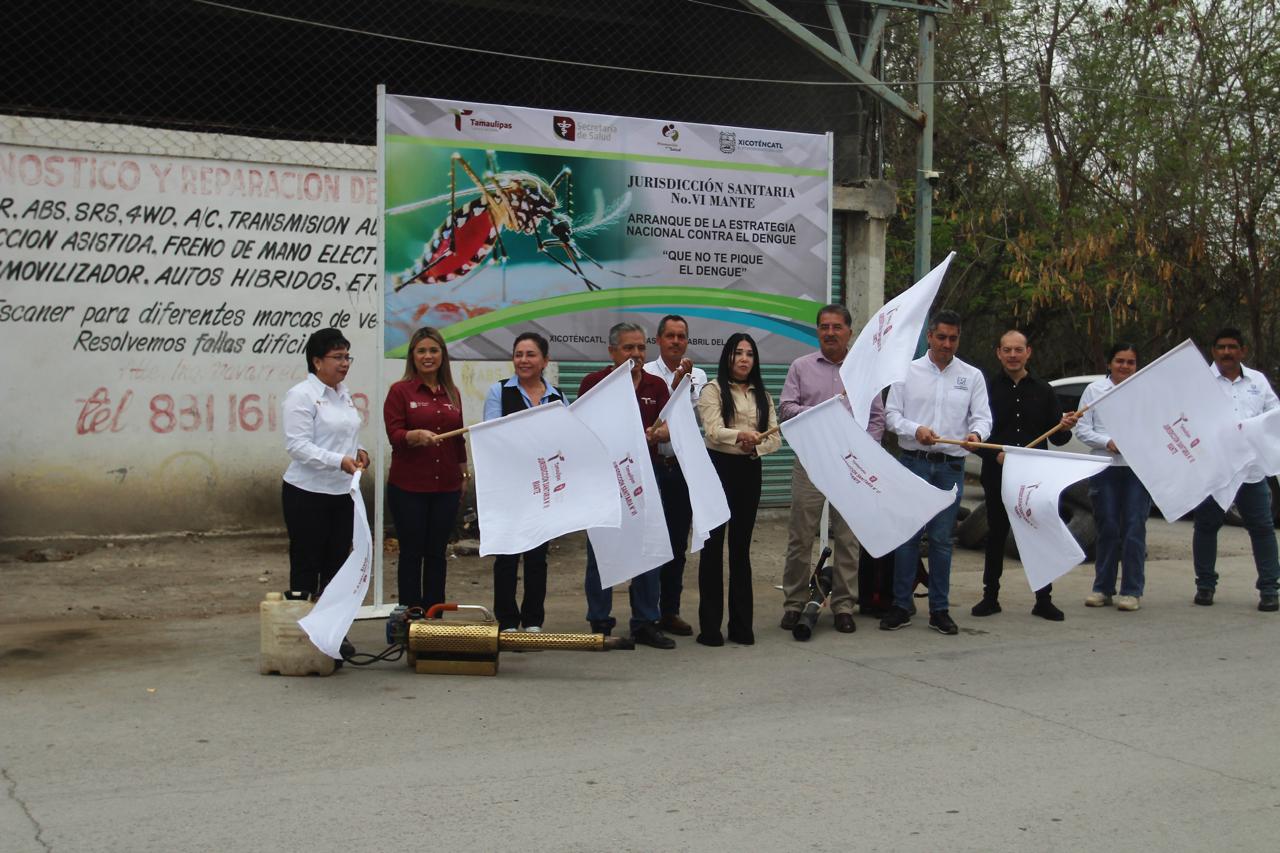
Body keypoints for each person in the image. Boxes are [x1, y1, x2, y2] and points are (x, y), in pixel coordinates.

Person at [881, 310, 992, 634]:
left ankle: (939, 610)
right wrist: (915, 430)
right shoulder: (907, 371)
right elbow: (891, 416)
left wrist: (977, 436)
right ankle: (902, 605)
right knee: (908, 538)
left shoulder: (971, 376)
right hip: (914, 462)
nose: (947, 343)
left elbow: (982, 418)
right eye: (941, 337)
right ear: (929, 336)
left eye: (953, 338)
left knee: (943, 540)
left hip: (950, 467)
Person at [779, 304, 887, 634]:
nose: (830, 332)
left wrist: (865, 452)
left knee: (848, 538)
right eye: (824, 327)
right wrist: (817, 412)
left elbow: (877, 419)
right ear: (818, 331)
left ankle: (843, 604)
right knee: (800, 535)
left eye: (837, 327)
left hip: (850, 465)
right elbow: (785, 408)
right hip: (812, 460)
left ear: (849, 332)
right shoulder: (801, 367)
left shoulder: (865, 371)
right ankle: (794, 602)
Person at [970, 330, 1079, 621]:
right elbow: (975, 436)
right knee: (996, 536)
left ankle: (1043, 600)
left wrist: (1065, 426)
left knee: (1038, 534)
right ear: (998, 353)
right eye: (1007, 350)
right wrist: (996, 455)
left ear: (1028, 352)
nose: (1013, 355)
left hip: (1034, 478)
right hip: (998, 474)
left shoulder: (1043, 390)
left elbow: (1057, 440)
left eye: (1018, 350)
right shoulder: (987, 388)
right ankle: (989, 597)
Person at [579, 322, 675, 649]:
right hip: (604, 482)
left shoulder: (656, 385)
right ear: (612, 351)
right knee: (601, 553)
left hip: (644, 480)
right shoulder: (594, 383)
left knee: (648, 551)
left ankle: (646, 621)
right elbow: (580, 431)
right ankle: (600, 621)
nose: (635, 354)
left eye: (640, 348)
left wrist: (664, 433)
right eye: (628, 348)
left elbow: (669, 426)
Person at [696, 333, 781, 646]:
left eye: (749, 354)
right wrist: (741, 435)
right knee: (713, 547)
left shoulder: (763, 394)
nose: (744, 359)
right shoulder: (713, 390)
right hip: (718, 469)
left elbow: (774, 437)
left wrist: (756, 444)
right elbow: (713, 431)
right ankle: (710, 628)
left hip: (749, 469)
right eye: (738, 353)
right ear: (727, 357)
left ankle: (742, 626)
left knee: (741, 549)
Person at [1191, 328, 1279, 612]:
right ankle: (1205, 586)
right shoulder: (1200, 382)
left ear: (1243, 350)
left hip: (1250, 471)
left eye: (1232, 347)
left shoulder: (1259, 381)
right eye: (1220, 347)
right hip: (1214, 472)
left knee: (1263, 529)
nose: (1226, 352)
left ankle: (1269, 589)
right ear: (1213, 351)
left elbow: (1273, 416)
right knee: (1206, 527)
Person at [280, 328, 368, 605]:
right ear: (317, 361)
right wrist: (338, 460)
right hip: (307, 493)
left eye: (347, 357)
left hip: (342, 493)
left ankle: (331, 631)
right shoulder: (301, 395)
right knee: (307, 563)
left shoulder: (343, 393)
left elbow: (344, 432)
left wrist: (359, 451)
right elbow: (297, 446)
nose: (345, 363)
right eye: (338, 357)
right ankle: (303, 631)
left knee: (337, 565)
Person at [482, 332, 563, 632]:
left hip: (542, 489)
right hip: (509, 488)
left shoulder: (557, 397)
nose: (523, 360)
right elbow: (493, 436)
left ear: (545, 360)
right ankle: (506, 620)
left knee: (536, 558)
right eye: (518, 354)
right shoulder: (499, 392)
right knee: (506, 555)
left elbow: (560, 441)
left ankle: (532, 621)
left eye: (530, 355)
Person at [383, 326, 466, 612]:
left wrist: (463, 472)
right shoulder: (400, 391)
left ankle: (434, 616)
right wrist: (412, 436)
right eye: (421, 351)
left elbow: (458, 439)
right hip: (409, 488)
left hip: (446, 487)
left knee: (437, 554)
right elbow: (394, 434)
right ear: (412, 356)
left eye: (433, 350)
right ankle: (410, 615)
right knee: (411, 553)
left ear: (442, 355)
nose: (428, 356)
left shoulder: (452, 392)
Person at [643, 314, 709, 637]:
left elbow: (690, 417)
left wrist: (682, 383)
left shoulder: (698, 375)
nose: (676, 341)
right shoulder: (644, 373)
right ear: (658, 340)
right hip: (653, 469)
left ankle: (670, 611)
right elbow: (654, 417)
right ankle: (645, 614)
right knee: (651, 542)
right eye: (669, 336)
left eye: (681, 336)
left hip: (681, 470)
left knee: (676, 544)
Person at [1076, 343, 1151, 612]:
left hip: (1136, 470)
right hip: (1104, 468)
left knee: (1133, 527)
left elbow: (1155, 428)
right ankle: (1102, 588)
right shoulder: (1095, 391)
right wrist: (1108, 442)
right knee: (1107, 527)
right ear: (1109, 364)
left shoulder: (1146, 392)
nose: (1125, 367)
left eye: (1130, 362)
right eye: (1120, 361)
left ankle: (1131, 591)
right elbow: (1083, 429)